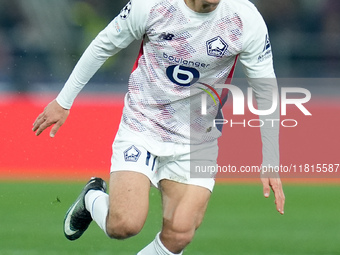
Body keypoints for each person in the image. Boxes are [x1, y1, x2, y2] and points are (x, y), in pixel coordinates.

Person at [32, 0, 285, 254]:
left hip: (198, 139)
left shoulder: (244, 19)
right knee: (124, 225)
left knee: (179, 234)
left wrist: (271, 157)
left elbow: (265, 88)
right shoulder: (152, 5)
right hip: (143, 124)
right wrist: (64, 101)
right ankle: (92, 198)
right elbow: (104, 44)